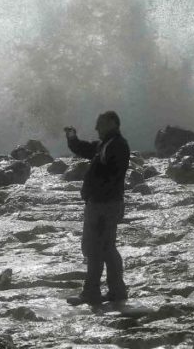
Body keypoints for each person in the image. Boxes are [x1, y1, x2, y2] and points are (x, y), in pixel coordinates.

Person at [64, 111, 130, 306]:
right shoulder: (107, 144)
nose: (96, 128)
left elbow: (112, 176)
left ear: (111, 123)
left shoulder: (117, 146)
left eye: (99, 123)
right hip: (105, 203)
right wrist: (72, 138)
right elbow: (84, 148)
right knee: (106, 248)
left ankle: (92, 293)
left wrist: (95, 192)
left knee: (95, 248)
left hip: (104, 205)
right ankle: (117, 291)